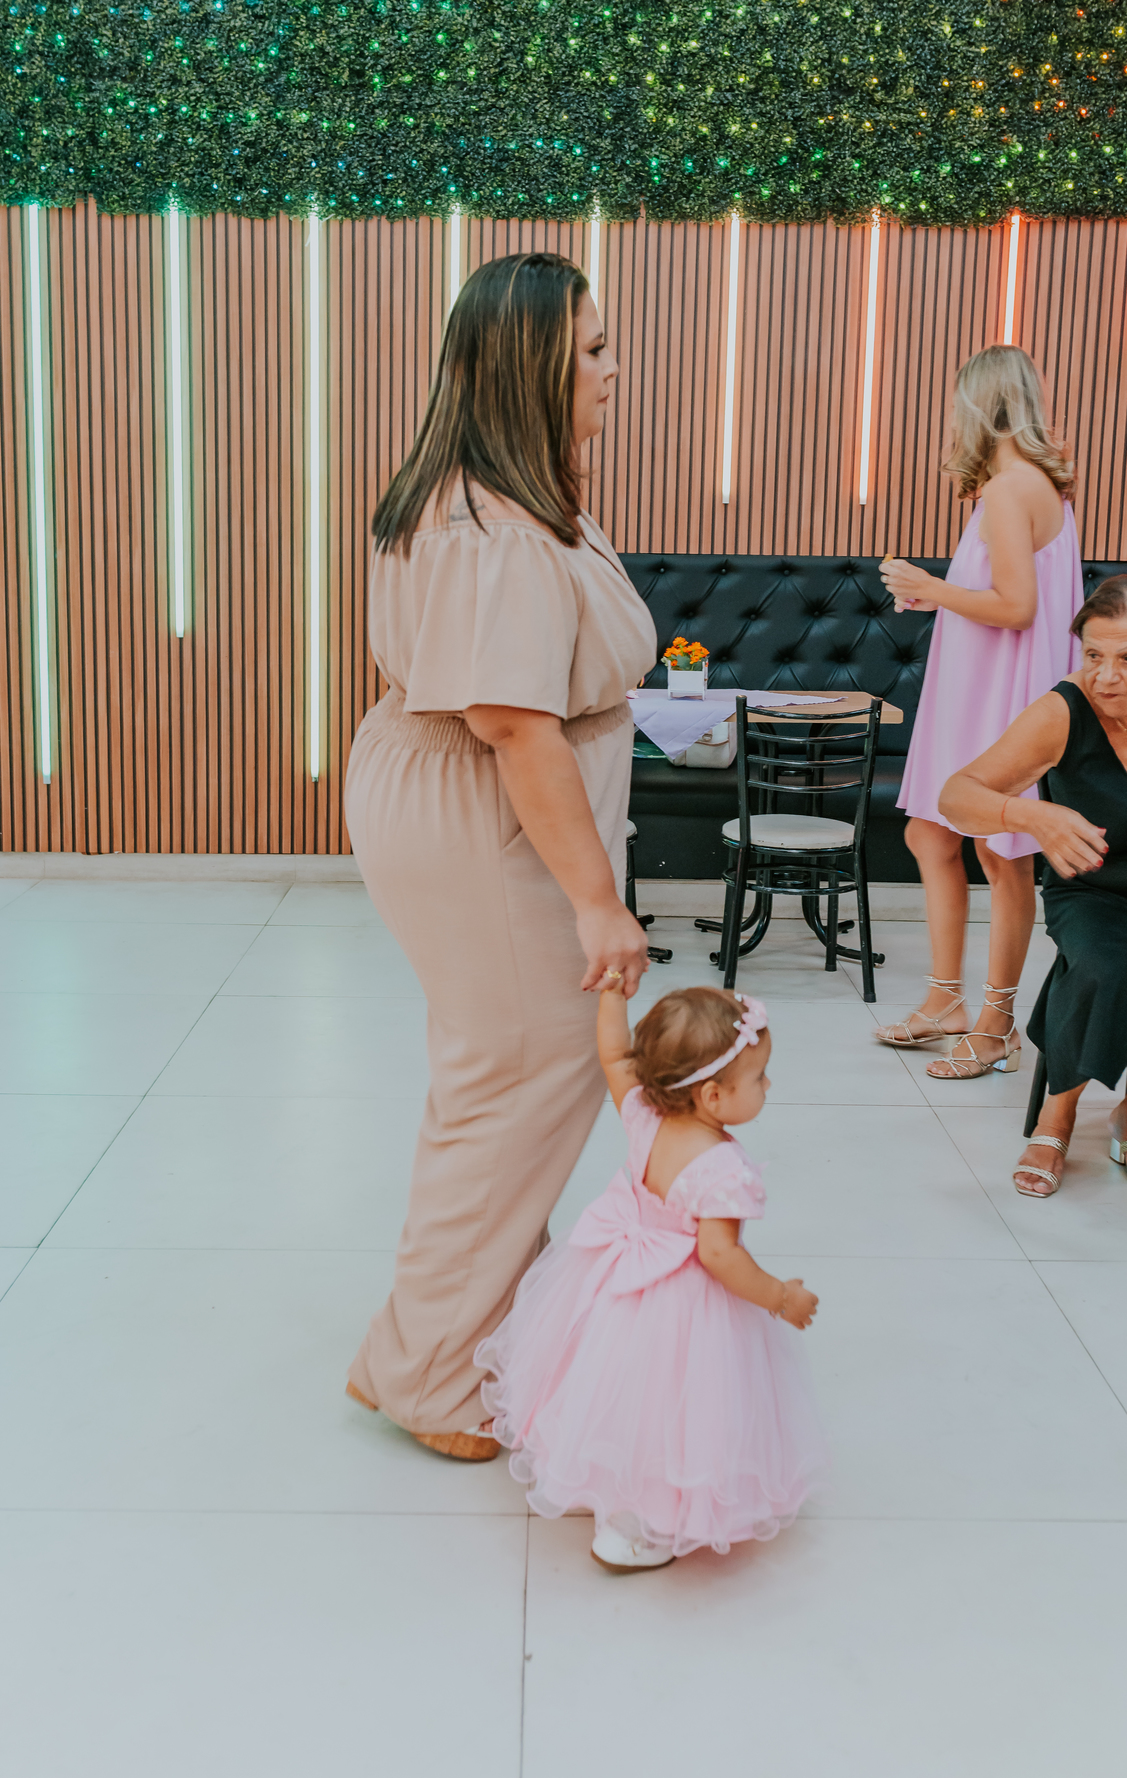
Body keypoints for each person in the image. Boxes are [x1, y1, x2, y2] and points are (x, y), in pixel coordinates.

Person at [342, 252, 658, 1459]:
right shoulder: (499, 531)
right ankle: (428, 1374)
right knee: (523, 1078)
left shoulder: (497, 498)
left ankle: (433, 1342)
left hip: (456, 790)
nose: (613, 369)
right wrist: (599, 905)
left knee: (497, 1078)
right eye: (593, 349)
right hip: (488, 805)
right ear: (533, 365)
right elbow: (517, 727)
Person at [475, 983, 826, 1569]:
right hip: (682, 1307)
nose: (768, 1085)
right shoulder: (723, 1170)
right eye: (759, 1076)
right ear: (713, 1095)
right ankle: (641, 1524)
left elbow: (615, 1056)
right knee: (675, 1409)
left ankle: (594, 1475)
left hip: (615, 1283)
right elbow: (719, 1256)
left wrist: (612, 996)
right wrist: (779, 1297)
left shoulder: (644, 1115)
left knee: (610, 1387)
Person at [940, 577, 1127, 1199]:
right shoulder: (1062, 712)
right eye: (1093, 655)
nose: (1106, 676)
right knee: (1104, 966)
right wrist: (1030, 815)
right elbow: (957, 796)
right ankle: (1055, 1121)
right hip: (1096, 891)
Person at [875, 346, 1083, 1079]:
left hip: (1000, 697)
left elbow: (1018, 607)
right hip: (977, 688)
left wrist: (930, 589)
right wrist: (939, 594)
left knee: (1001, 853)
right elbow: (1007, 599)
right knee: (930, 832)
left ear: (979, 408)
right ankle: (945, 1002)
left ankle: (996, 1025)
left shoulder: (1008, 490)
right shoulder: (1030, 487)